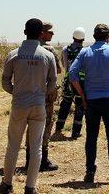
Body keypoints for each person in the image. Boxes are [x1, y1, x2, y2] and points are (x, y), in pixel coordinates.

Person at [0, 18, 57, 194]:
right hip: (38, 105)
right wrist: (42, 94)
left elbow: (5, 80)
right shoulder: (48, 55)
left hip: (19, 104)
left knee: (13, 145)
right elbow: (52, 82)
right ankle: (30, 187)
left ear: (24, 32)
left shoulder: (13, 54)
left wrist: (16, 92)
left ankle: (7, 184)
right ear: (40, 34)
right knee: (36, 147)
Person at [69, 23, 109, 185]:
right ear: (108, 36)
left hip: (91, 101)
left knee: (91, 137)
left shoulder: (85, 52)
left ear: (94, 36)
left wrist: (82, 95)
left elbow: (72, 74)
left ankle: (89, 172)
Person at [25, 22, 61, 172]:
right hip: (45, 95)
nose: (52, 35)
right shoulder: (49, 51)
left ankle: (29, 160)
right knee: (45, 126)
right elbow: (57, 71)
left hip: (27, 93)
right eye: (50, 32)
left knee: (30, 127)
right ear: (42, 33)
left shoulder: (25, 50)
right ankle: (42, 160)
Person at [54, 27, 86, 139]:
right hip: (80, 81)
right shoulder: (84, 51)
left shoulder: (64, 49)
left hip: (68, 80)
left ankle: (58, 128)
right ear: (83, 39)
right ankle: (76, 132)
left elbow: (64, 65)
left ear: (73, 37)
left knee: (65, 104)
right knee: (79, 104)